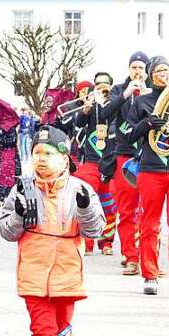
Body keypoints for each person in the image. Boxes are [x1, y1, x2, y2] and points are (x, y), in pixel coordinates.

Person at [0, 126, 104, 336]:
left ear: (65, 158)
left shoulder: (81, 189)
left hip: (67, 271)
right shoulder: (22, 188)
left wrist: (83, 209)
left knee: (61, 332)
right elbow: (6, 231)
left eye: (48, 154)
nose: (41, 159)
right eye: (36, 153)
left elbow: (96, 230)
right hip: (33, 271)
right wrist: (18, 214)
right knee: (42, 333)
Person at [127, 56, 169, 297]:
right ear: (149, 74)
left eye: (166, 70)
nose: (163, 75)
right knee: (150, 224)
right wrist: (146, 124)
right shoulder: (141, 102)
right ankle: (150, 275)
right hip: (151, 168)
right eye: (157, 71)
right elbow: (128, 135)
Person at [105, 52, 150, 275]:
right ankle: (130, 256)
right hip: (125, 154)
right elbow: (105, 113)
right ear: (128, 69)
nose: (138, 71)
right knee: (127, 209)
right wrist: (125, 94)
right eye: (134, 67)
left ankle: (148, 256)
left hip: (150, 157)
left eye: (141, 67)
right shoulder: (119, 90)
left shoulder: (154, 91)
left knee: (149, 211)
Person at [73, 74, 119, 255]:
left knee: (109, 205)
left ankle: (106, 242)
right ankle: (88, 242)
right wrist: (85, 109)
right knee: (87, 202)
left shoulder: (117, 105)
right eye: (98, 85)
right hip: (91, 160)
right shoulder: (91, 106)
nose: (102, 88)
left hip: (111, 161)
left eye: (105, 85)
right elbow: (78, 123)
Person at [0, 96, 21, 205]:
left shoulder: (7, 125)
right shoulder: (3, 124)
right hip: (5, 153)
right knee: (4, 173)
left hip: (9, 153)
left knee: (6, 174)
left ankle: (5, 196)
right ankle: (4, 196)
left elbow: (8, 140)